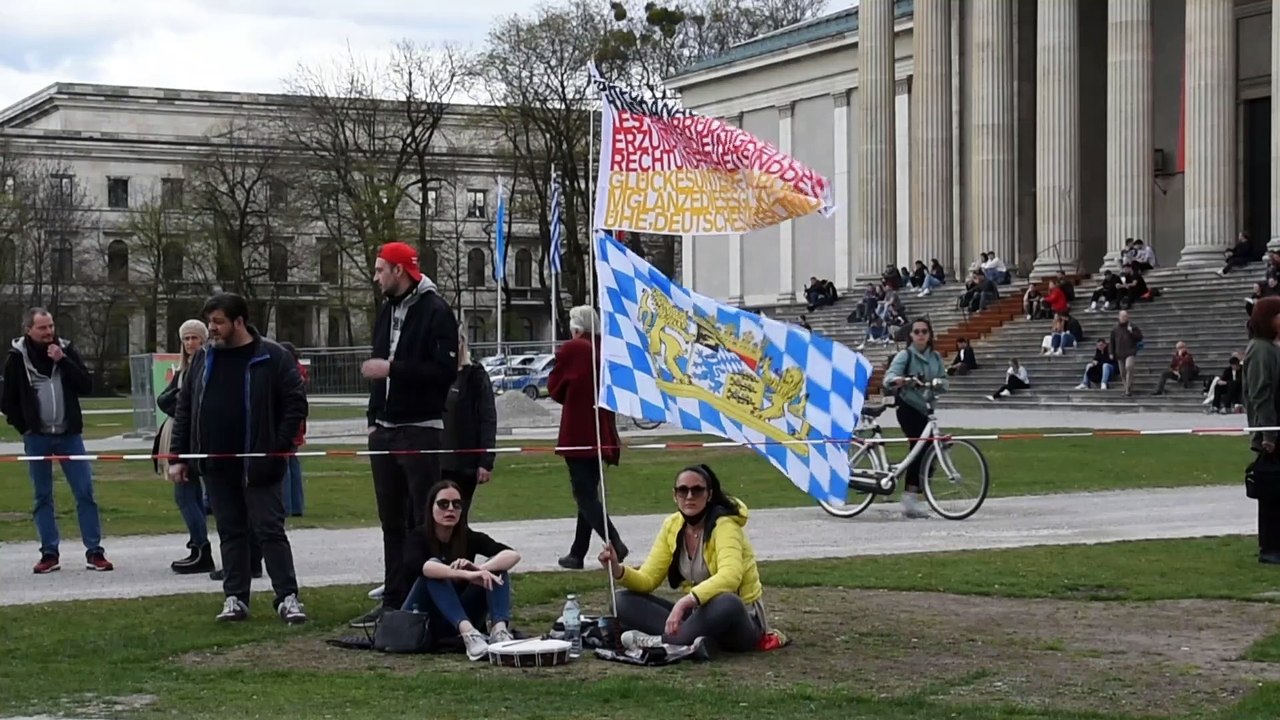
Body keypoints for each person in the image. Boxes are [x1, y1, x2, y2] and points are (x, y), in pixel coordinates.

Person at [168, 293, 309, 624]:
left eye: (218, 322)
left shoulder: (272, 357)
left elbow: (295, 404)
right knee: (230, 532)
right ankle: (235, 598)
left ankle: (287, 597)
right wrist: (179, 456)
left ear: (239, 322)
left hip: (260, 462)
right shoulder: (203, 359)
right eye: (209, 322)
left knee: (269, 530)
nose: (211, 329)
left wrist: (277, 447)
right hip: (216, 465)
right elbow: (185, 408)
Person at [355, 241, 459, 628]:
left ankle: (425, 598)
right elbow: (377, 366)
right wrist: (372, 417)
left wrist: (394, 370)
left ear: (399, 270)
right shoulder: (386, 309)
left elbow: (444, 371)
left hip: (419, 429)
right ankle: (393, 598)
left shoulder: (436, 311)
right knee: (390, 520)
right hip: (384, 430)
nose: (376, 275)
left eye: (381, 269)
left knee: (422, 518)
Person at [599, 464, 766, 653]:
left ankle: (663, 641)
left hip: (740, 620)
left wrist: (685, 602)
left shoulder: (725, 525)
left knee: (727, 602)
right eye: (682, 490)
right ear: (674, 495)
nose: (689, 496)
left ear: (709, 495)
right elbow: (647, 579)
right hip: (697, 614)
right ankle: (691, 641)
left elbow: (731, 576)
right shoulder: (672, 525)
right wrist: (616, 569)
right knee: (621, 600)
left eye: (697, 490)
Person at [1, 307, 111, 574]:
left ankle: (95, 552)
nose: (49, 332)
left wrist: (63, 360)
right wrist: (25, 426)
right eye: (43, 328)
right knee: (42, 496)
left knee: (85, 492)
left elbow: (86, 385)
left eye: (51, 326)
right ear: (29, 329)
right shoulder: (17, 358)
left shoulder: (65, 350)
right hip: (37, 438)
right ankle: (49, 553)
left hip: (69, 436)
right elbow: (7, 400)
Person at [401, 480, 522, 661]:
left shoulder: (467, 536)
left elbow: (512, 555)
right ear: (430, 507)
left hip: (455, 618)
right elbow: (423, 567)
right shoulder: (417, 537)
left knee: (496, 570)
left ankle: (500, 631)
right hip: (419, 621)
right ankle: (469, 634)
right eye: (443, 504)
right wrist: (465, 574)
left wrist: (480, 569)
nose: (450, 509)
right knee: (435, 572)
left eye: (456, 505)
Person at [551, 305, 628, 569]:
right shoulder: (605, 348)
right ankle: (577, 552)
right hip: (601, 431)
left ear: (577, 327)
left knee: (584, 495)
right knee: (589, 494)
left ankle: (614, 540)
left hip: (579, 432)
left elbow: (555, 388)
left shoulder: (575, 349)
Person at [155, 319, 216, 574]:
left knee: (186, 496)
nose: (190, 343)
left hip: (193, 440)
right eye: (186, 339)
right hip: (179, 434)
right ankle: (197, 545)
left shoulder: (202, 368)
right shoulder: (183, 370)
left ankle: (202, 548)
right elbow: (166, 399)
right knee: (186, 496)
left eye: (195, 338)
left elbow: (187, 404)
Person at [881, 318, 948, 519]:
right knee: (920, 449)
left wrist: (938, 383)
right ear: (911, 335)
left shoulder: (935, 357)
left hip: (926, 409)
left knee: (928, 452)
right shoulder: (905, 355)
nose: (920, 335)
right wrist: (899, 380)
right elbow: (888, 377)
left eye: (924, 331)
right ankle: (910, 498)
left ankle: (915, 492)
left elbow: (945, 380)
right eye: (917, 331)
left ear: (929, 335)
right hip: (908, 407)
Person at [440, 329, 497, 515]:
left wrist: (486, 461)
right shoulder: (434, 375)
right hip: (435, 461)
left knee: (457, 518)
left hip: (464, 464)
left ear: (462, 344)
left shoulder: (475, 376)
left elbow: (487, 419)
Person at [1242, 296, 1280, 564]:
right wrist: (1268, 434)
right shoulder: (1261, 349)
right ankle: (1270, 547)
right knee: (1271, 492)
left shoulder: (1271, 347)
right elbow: (1260, 394)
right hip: (1273, 431)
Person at [278, 341, 308, 517]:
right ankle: (296, 506)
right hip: (298, 424)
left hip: (290, 424)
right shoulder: (299, 374)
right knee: (293, 464)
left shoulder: (289, 375)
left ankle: (287, 505)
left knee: (285, 465)